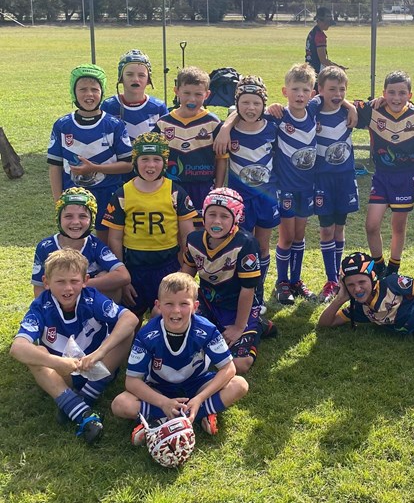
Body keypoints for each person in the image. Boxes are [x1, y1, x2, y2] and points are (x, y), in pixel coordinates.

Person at [11, 248, 138, 444]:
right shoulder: (40, 306)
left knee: (126, 332)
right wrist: (57, 362)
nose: (68, 288)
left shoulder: (91, 297)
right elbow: (17, 347)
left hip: (97, 366)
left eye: (74, 281)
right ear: (46, 282)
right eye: (60, 282)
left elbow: (130, 318)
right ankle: (82, 413)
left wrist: (100, 352)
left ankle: (83, 398)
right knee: (36, 353)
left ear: (85, 280)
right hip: (63, 374)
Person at [111, 272, 249, 443]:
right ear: (158, 306)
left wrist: (199, 398)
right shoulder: (146, 335)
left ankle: (161, 421)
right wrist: (163, 402)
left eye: (184, 304)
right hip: (159, 388)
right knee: (120, 404)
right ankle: (197, 414)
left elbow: (228, 368)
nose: (176, 310)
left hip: (197, 384)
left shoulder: (207, 329)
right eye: (169, 304)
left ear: (195, 306)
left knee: (239, 385)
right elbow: (132, 381)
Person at [102, 132, 197, 318]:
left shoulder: (175, 192)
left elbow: (188, 235)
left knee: (165, 315)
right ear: (135, 161)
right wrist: (122, 278)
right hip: (134, 266)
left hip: (167, 265)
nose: (151, 165)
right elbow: (115, 238)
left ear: (165, 162)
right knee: (130, 317)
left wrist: (184, 270)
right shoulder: (123, 193)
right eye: (144, 159)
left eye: (156, 159)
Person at [47, 64, 133, 243]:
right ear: (73, 92)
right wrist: (58, 200)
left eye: (94, 89)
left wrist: (95, 168)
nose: (89, 94)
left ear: (102, 92)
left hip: (107, 193)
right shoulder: (62, 125)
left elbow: (128, 165)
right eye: (83, 89)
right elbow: (55, 166)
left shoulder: (114, 125)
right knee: (74, 242)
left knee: (107, 242)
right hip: (73, 195)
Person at [182, 188, 264, 375]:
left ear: (236, 217)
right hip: (207, 303)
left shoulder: (246, 243)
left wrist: (239, 327)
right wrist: (174, 303)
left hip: (238, 308)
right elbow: (185, 277)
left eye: (224, 216)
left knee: (240, 364)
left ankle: (257, 324)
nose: (217, 221)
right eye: (212, 214)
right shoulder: (194, 240)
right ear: (204, 215)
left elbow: (248, 289)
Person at [220, 76, 279, 307]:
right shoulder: (229, 131)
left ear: (264, 103)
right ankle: (239, 293)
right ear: (237, 103)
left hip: (266, 198)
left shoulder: (272, 126)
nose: (251, 108)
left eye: (256, 102)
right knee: (242, 247)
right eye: (245, 102)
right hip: (240, 200)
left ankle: (257, 295)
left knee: (262, 247)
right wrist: (225, 127)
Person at [355, 71, 414, 279]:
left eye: (402, 93)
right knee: (371, 225)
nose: (396, 98)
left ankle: (393, 267)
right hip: (381, 177)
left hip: (406, 178)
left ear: (410, 95)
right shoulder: (373, 111)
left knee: (398, 226)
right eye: (391, 92)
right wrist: (369, 102)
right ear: (383, 93)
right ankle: (379, 266)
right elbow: (345, 104)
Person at [271, 64, 321, 305]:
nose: (300, 95)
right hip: (286, 188)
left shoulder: (314, 111)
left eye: (305, 90)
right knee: (287, 236)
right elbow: (244, 113)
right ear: (285, 91)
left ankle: (296, 280)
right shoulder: (279, 116)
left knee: (300, 236)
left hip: (306, 187)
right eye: (295, 89)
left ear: (313, 93)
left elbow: (337, 96)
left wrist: (350, 106)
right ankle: (281, 282)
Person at [153, 66, 227, 220]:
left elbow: (221, 159)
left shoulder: (213, 123)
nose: (192, 99)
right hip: (171, 187)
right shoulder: (164, 123)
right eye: (186, 93)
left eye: (198, 94)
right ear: (176, 91)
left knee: (200, 227)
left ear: (207, 94)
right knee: (174, 227)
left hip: (203, 187)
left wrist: (218, 189)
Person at [312, 66, 359, 302]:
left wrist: (351, 106)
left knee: (339, 228)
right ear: (320, 90)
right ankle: (330, 278)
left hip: (345, 178)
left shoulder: (350, 112)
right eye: (332, 89)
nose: (338, 94)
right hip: (322, 179)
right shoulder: (312, 111)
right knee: (326, 230)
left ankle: (339, 277)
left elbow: (382, 105)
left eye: (342, 89)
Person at [32, 187, 130, 301]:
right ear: (59, 219)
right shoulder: (45, 247)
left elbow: (123, 276)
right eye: (68, 216)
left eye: (82, 216)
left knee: (107, 277)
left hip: (89, 304)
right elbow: (39, 288)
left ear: (92, 219)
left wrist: (81, 284)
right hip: (58, 303)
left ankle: (105, 313)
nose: (75, 222)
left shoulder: (95, 245)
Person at [101, 49, 168, 142]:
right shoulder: (109, 106)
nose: (136, 79)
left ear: (148, 79)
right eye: (129, 74)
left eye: (141, 75)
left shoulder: (158, 107)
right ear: (121, 77)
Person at [305, 6, 346, 92]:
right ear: (319, 20)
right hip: (317, 72)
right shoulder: (319, 36)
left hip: (309, 70)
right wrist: (338, 68)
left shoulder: (312, 33)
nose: (328, 25)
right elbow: (323, 60)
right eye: (326, 22)